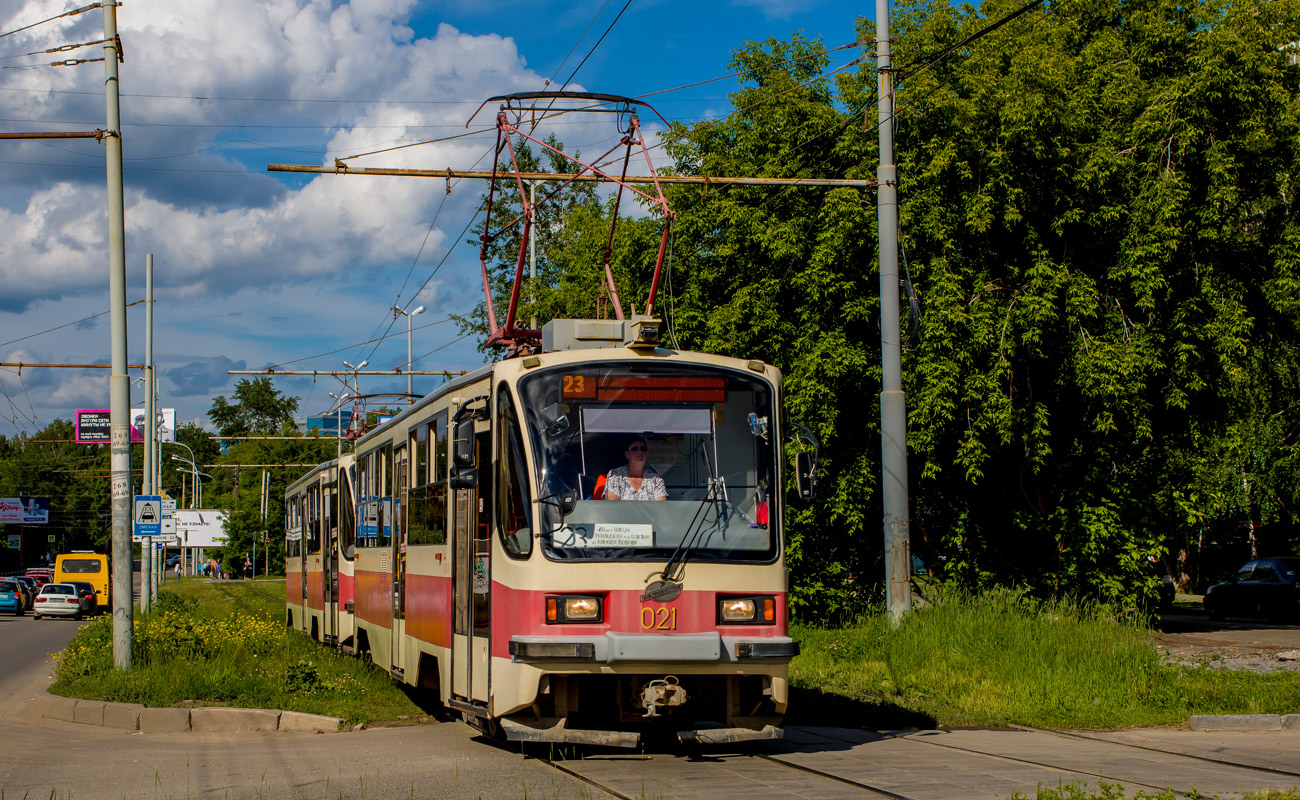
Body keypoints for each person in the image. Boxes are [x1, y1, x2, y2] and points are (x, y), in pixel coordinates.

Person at [603, 437, 668, 501]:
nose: (639, 451)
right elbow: (612, 506)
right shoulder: (615, 475)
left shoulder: (656, 479)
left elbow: (661, 507)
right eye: (634, 449)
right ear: (627, 454)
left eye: (643, 449)